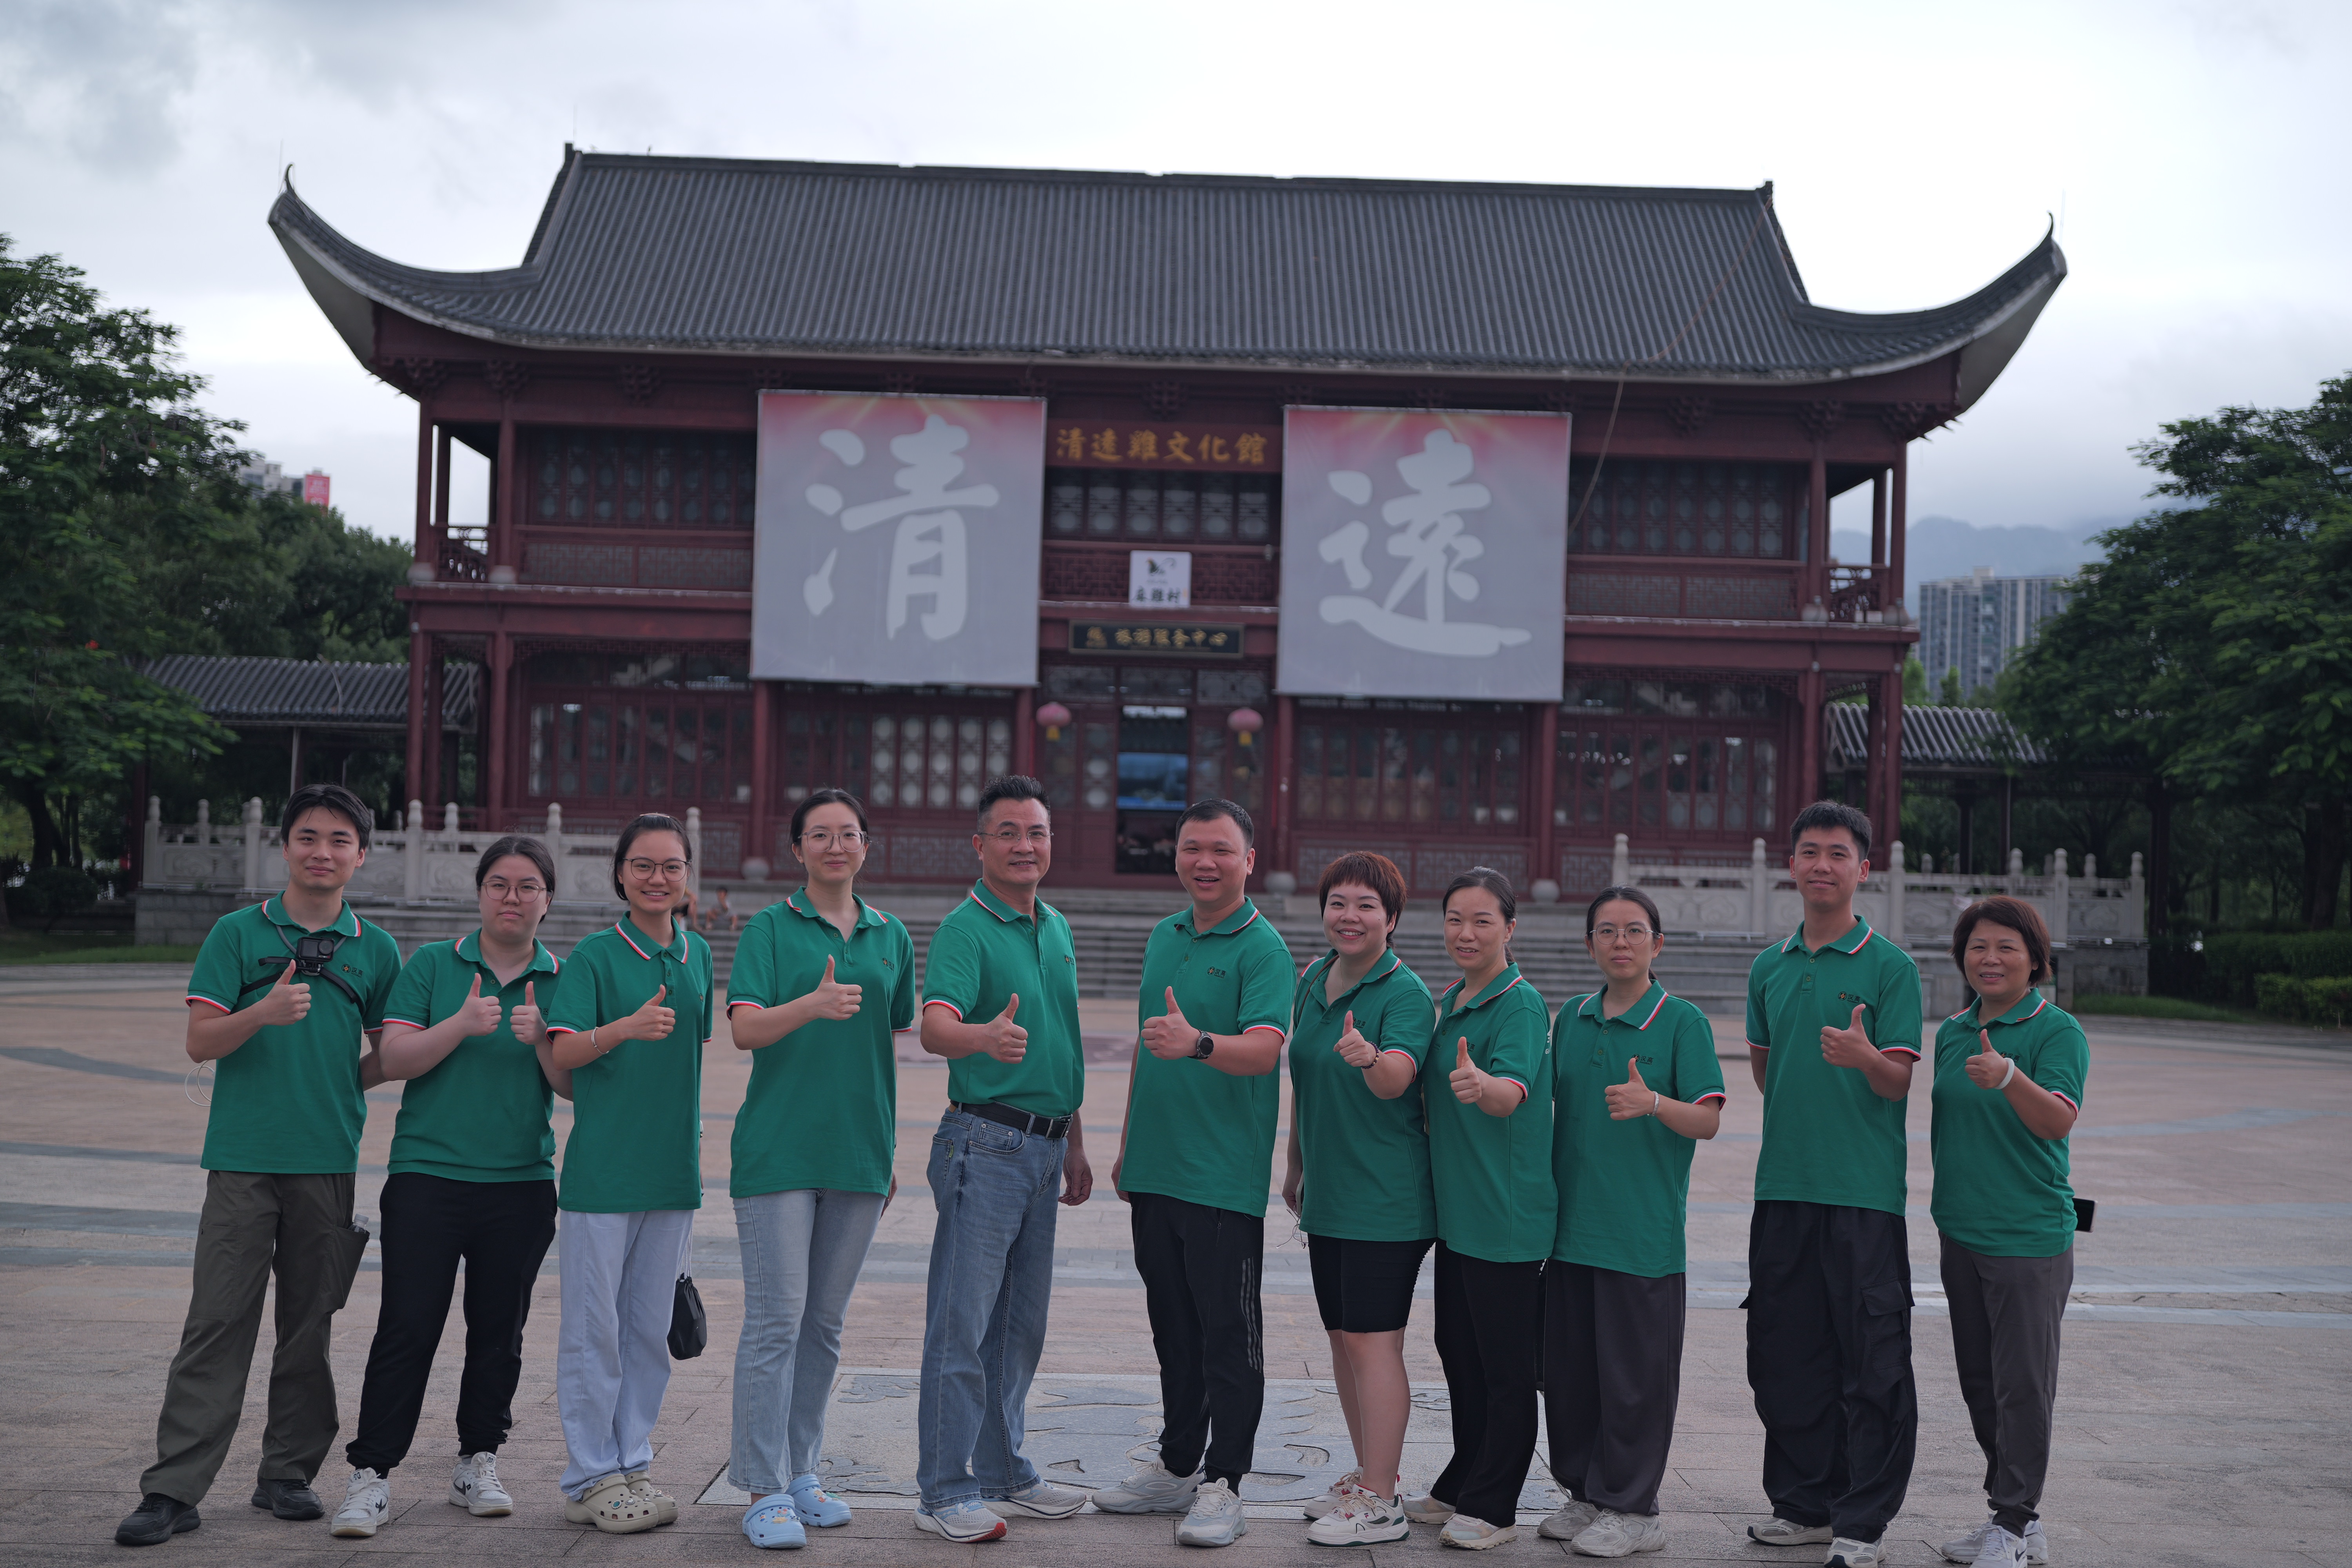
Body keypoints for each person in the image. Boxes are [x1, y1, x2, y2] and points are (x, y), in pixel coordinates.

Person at [115, 783, 403, 1548]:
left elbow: (388, 1054)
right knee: (217, 1320)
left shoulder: (376, 949)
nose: (322, 852)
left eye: (339, 840)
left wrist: (344, 1080)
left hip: (328, 1160)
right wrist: (263, 1013)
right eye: (308, 836)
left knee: (309, 1324)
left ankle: (287, 1473)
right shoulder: (238, 933)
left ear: (362, 855)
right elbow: (201, 1041)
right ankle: (174, 1488)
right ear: (284, 846)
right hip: (242, 1160)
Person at [328, 836, 567, 1538]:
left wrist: (544, 1039)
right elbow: (396, 1057)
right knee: (408, 1325)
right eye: (499, 884)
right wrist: (461, 1024)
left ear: (548, 900)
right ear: (480, 892)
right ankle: (372, 1473)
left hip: (521, 1183)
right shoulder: (434, 964)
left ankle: (477, 1460)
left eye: (527, 886)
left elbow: (575, 1085)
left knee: (499, 1331)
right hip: (426, 1177)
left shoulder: (564, 978)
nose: (512, 898)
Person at [1096, 800, 1296, 1547]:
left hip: (1220, 1175)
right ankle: (1178, 1464)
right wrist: (1128, 1145)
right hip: (1157, 1167)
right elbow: (1149, 1046)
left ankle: (1226, 1481)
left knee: (1227, 1336)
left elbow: (1265, 1050)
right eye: (1191, 848)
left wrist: (1201, 1043)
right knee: (1173, 1329)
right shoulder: (1165, 935)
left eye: (1221, 849)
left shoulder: (1264, 949)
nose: (1204, 863)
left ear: (1249, 860)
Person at [724, 789, 915, 1550]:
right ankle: (761, 1486)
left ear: (867, 844)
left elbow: (886, 1045)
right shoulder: (770, 929)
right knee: (777, 1319)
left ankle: (802, 1469)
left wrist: (886, 1147)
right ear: (798, 848)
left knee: (824, 1325)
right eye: (820, 835)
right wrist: (810, 1003)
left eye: (849, 834)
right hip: (779, 1150)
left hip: (858, 1152)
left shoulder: (890, 935)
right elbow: (744, 1030)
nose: (836, 846)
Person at [1743, 802, 1924, 1568]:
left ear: (1864, 869)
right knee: (1785, 1353)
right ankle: (1804, 1505)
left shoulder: (1892, 967)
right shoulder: (1769, 965)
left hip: (1862, 1196)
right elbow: (1766, 1070)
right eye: (1810, 851)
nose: (1823, 864)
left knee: (1872, 1360)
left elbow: (1898, 1082)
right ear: (1791, 864)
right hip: (1783, 1188)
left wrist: (1865, 1057)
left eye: (1839, 853)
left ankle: (1862, 1520)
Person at [913, 776, 1093, 1543]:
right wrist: (982, 1037)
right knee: (961, 1324)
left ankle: (1003, 1470)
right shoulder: (966, 928)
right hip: (984, 1144)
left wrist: (1074, 1140)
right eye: (1010, 832)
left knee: (1018, 1327)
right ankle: (943, 1490)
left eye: (1037, 831)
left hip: (1045, 1145)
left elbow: (1065, 1039)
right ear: (980, 844)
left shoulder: (1055, 924)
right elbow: (934, 1026)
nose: (1026, 845)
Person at [1540, 886, 1726, 1558]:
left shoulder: (1682, 1022)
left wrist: (1653, 1104)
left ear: (1658, 943)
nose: (1621, 942)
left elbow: (1707, 1120)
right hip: (1569, 1234)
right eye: (1608, 931)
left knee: (1633, 1383)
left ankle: (1635, 1509)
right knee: (1571, 1379)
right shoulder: (1572, 1017)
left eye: (1635, 930)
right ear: (1589, 943)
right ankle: (1587, 1495)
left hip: (1640, 1237)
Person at [542, 813, 714, 1535]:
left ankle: (631, 1461)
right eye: (643, 865)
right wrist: (623, 1029)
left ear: (688, 876)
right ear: (620, 874)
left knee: (648, 1328)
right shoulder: (593, 957)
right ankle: (591, 1474)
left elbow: (690, 1060)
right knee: (595, 1330)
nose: (657, 878)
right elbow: (562, 1055)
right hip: (604, 1174)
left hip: (672, 1172)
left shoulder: (698, 954)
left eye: (671, 866)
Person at [1280, 851, 1436, 1548]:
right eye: (1338, 903)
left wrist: (1371, 1057)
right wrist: (1295, 1163)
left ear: (1392, 919)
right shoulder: (1314, 978)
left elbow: (1398, 1078)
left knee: (1375, 1345)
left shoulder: (1405, 995)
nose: (1350, 916)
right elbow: (1304, 1080)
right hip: (1331, 1193)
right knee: (1344, 1342)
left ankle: (1382, 1500)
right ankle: (1370, 1475)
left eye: (1367, 906)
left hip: (1385, 1199)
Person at [1930, 898, 2084, 1568]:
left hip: (2027, 1236)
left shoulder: (2057, 1031)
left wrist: (2011, 1077)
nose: (1990, 959)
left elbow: (2057, 1120)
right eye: (1978, 947)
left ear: (2035, 960)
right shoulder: (1954, 1031)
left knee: (2023, 1385)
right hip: (1961, 1231)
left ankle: (2014, 1525)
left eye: (2006, 948)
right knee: (1981, 1384)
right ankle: (2017, 1517)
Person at [1407, 867, 1555, 1550]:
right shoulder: (1454, 999)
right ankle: (1465, 1475)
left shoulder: (1519, 1005)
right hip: (1460, 1213)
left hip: (1505, 1215)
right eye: (1455, 920)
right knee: (1460, 1352)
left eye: (1482, 921)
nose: (1465, 933)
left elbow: (1512, 1092)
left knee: (1504, 1369)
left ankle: (1495, 1505)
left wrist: (1482, 1085)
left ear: (1510, 929)